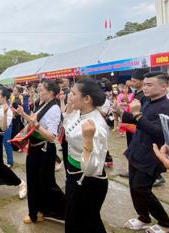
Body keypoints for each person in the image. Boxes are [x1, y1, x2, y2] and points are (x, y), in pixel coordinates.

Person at [122, 72, 169, 233]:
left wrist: (137, 114)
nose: (145, 87)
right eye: (144, 84)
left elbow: (159, 132)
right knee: (134, 187)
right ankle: (143, 218)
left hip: (152, 155)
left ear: (164, 86)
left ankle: (165, 224)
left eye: (149, 85)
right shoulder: (147, 101)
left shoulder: (168, 107)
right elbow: (136, 121)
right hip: (137, 150)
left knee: (142, 189)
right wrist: (123, 112)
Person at [14, 80, 65, 224]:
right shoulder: (42, 104)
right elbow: (33, 121)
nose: (39, 91)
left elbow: (51, 136)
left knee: (46, 184)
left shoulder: (54, 109)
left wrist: (36, 126)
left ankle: (64, 211)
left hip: (44, 149)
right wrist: (23, 114)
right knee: (34, 181)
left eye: (41, 89)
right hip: (35, 147)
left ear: (50, 93)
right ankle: (37, 212)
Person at [63, 78, 109, 233]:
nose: (70, 96)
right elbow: (68, 127)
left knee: (86, 223)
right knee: (73, 217)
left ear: (87, 99)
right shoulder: (79, 112)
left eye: (73, 93)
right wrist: (69, 107)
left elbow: (91, 169)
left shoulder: (97, 126)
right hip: (74, 174)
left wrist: (88, 139)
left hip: (88, 181)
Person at [120, 69, 149, 178]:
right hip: (130, 126)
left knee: (139, 150)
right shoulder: (137, 93)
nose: (131, 83)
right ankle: (132, 170)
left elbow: (141, 113)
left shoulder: (145, 96)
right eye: (131, 81)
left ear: (142, 81)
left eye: (134, 81)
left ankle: (153, 175)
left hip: (137, 126)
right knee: (131, 148)